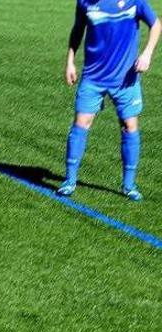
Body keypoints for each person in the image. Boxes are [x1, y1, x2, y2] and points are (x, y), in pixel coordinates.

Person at [56, 0, 160, 201]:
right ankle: (69, 181)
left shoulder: (134, 2)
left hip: (126, 79)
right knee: (80, 124)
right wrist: (70, 62)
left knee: (129, 126)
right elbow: (78, 29)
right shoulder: (85, 2)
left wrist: (147, 53)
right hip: (93, 78)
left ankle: (129, 185)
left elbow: (156, 25)